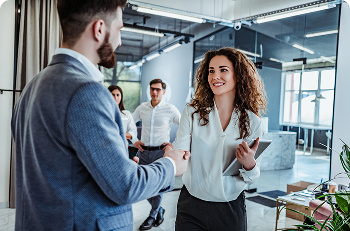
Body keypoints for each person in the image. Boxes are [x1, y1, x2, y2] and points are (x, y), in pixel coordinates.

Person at [11, 1, 190, 230]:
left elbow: (59, 167)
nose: (119, 40)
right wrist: (171, 165)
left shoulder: (32, 86)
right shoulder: (86, 92)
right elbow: (125, 186)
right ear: (99, 29)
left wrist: (116, 161)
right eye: (119, 29)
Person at [173, 47, 267, 231]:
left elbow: (253, 177)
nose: (215, 76)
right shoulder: (192, 113)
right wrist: (171, 159)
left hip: (230, 208)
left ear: (238, 76)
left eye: (223, 70)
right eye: (211, 71)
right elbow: (180, 155)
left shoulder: (252, 121)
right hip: (191, 205)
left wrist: (249, 164)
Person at [133, 78, 181, 230]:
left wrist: (175, 144)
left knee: (158, 187)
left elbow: (184, 127)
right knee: (142, 185)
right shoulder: (142, 108)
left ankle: (152, 216)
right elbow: (129, 123)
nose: (154, 92)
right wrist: (134, 139)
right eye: (152, 89)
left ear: (163, 92)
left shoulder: (170, 109)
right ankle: (159, 209)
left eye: (158, 89)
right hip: (144, 152)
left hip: (160, 153)